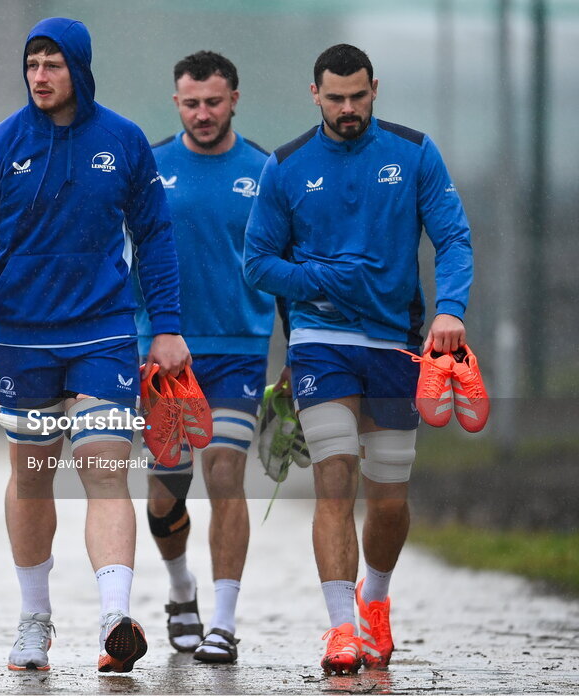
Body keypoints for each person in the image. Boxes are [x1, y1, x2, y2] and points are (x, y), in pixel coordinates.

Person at [0, 17, 190, 674]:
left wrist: (165, 327)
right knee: (32, 477)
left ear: (78, 67)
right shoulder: (1, 146)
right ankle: (33, 621)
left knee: (104, 470)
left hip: (104, 331)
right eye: (33, 65)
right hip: (21, 337)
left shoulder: (124, 142)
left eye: (53, 64)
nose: (41, 76)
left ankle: (114, 618)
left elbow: (156, 236)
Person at [244, 44, 473, 674]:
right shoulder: (286, 165)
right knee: (334, 475)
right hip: (320, 342)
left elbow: (452, 236)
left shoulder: (414, 152)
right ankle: (341, 628)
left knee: (390, 494)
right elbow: (258, 261)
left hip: (397, 343)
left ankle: (374, 602)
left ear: (375, 89)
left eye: (358, 96)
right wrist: (317, 282)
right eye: (335, 98)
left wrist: (450, 308)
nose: (348, 109)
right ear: (313, 94)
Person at [137, 51, 273, 665]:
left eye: (213, 102)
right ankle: (181, 588)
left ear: (235, 99)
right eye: (191, 103)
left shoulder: (267, 171)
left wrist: (296, 356)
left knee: (223, 470)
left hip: (238, 351)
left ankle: (222, 621)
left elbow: (286, 269)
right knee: (165, 494)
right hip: (165, 356)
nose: (203, 114)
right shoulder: (151, 168)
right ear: (176, 103)